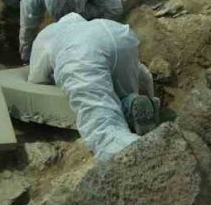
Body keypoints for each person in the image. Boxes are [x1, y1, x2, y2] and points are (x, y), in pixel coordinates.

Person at [28, 12, 159, 161]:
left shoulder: (47, 34)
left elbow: (36, 78)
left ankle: (148, 155)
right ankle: (131, 103)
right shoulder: (91, 25)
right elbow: (144, 74)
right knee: (120, 93)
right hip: (119, 35)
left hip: (80, 53)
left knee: (102, 126)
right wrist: (150, 96)